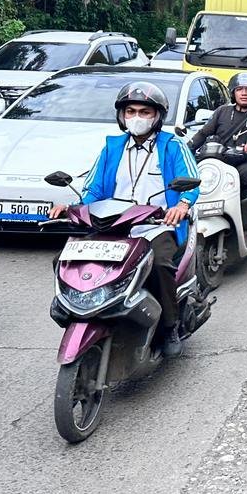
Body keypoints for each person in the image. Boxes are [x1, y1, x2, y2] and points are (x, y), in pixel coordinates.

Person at [50, 82, 200, 357]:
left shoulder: (173, 145)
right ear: (122, 115)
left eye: (144, 112)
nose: (137, 117)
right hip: (112, 224)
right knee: (67, 258)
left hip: (156, 225)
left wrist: (182, 204)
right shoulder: (112, 147)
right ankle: (70, 306)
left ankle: (170, 326)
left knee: (160, 264)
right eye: (130, 111)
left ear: (157, 116)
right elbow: (94, 189)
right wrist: (73, 208)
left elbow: (190, 182)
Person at [188, 72, 247, 249]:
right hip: (217, 161)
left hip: (243, 162)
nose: (244, 93)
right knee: (187, 181)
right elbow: (203, 133)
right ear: (233, 92)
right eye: (239, 89)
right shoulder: (222, 111)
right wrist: (186, 149)